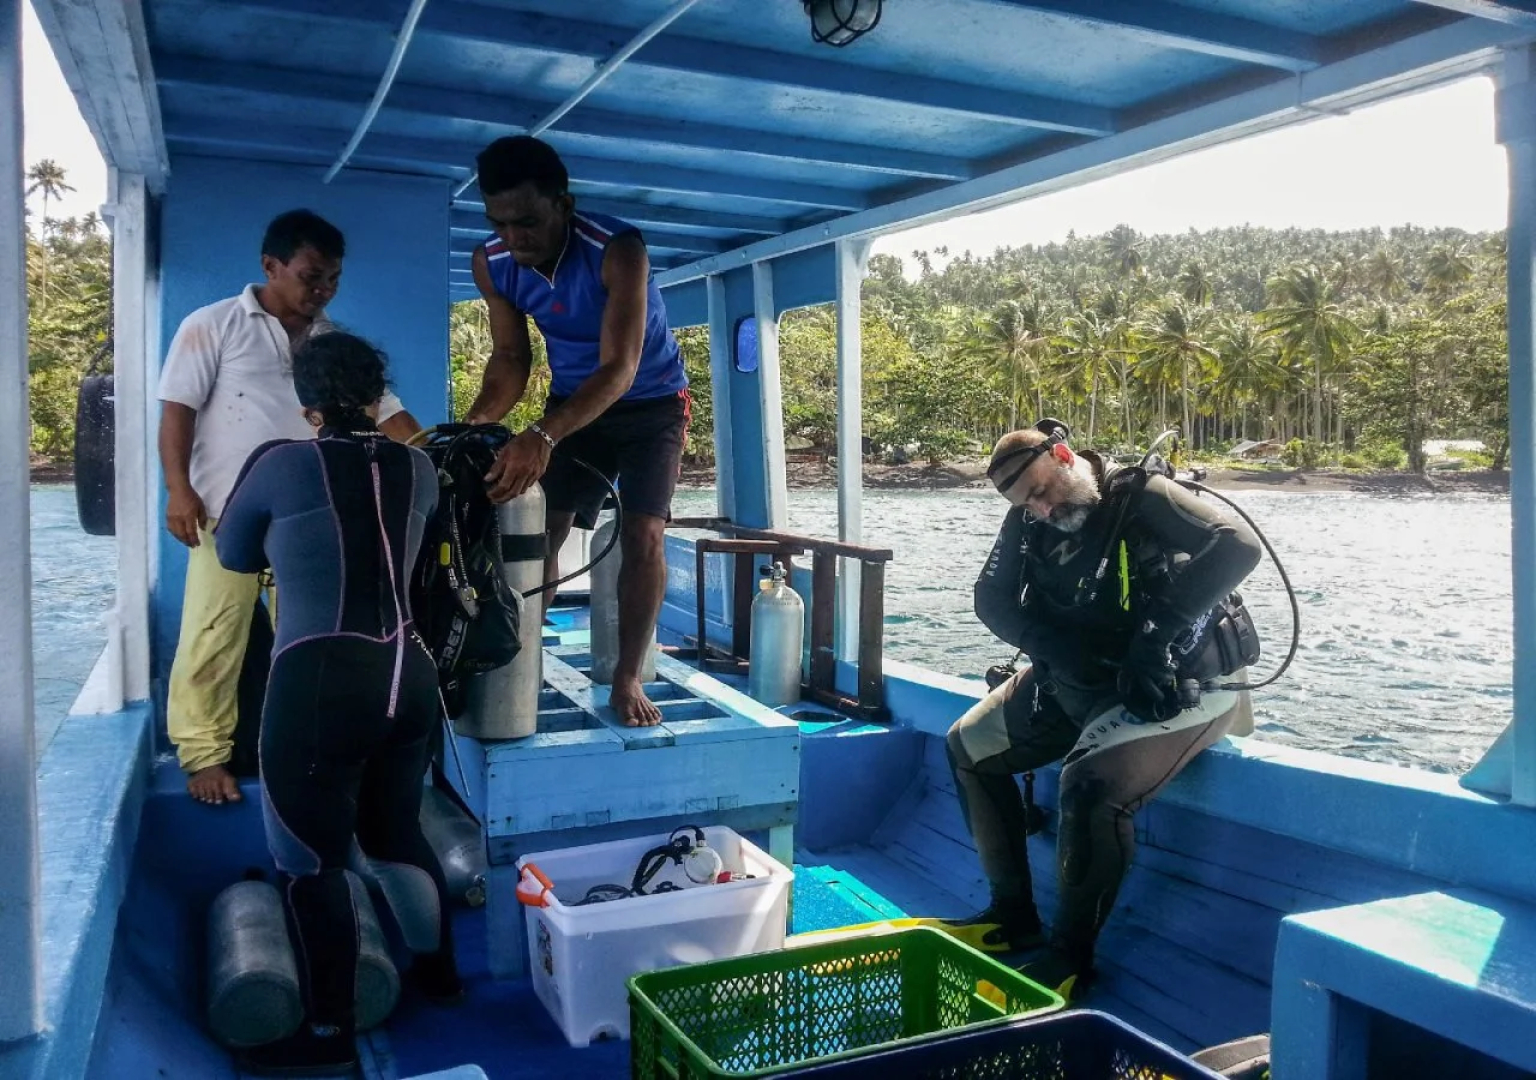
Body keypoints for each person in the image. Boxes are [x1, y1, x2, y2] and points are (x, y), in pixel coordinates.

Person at [944, 420, 1262, 1001]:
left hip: (1182, 680)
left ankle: (1069, 959)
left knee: (1088, 785)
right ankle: (1012, 916)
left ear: (1064, 455)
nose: (1037, 510)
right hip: (1080, 677)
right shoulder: (1027, 520)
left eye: (1039, 492)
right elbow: (989, 599)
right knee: (967, 748)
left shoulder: (1139, 496)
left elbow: (1238, 547)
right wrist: (1058, 648)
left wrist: (1152, 637)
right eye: (1024, 504)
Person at [215, 333, 461, 1075]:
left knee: (308, 861)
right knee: (394, 836)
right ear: (374, 394)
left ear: (307, 400)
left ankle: (326, 1029)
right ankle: (441, 978)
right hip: (407, 677)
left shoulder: (282, 463)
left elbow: (233, 552)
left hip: (320, 676)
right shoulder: (419, 468)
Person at [158, 209, 422, 806]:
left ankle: (304, 745)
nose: (322, 291)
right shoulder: (214, 325)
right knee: (212, 634)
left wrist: (437, 457)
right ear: (270, 266)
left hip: (309, 523)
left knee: (308, 640)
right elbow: (176, 412)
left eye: (332, 279)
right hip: (222, 514)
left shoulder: (333, 345)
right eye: (310, 276)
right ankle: (204, 756)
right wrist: (179, 490)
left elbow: (389, 414)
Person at [462, 135, 690, 728]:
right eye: (501, 224)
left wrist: (543, 435)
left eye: (529, 222)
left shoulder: (618, 250)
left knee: (643, 535)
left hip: (651, 403)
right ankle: (522, 651)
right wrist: (475, 424)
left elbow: (620, 367)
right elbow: (512, 359)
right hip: (572, 400)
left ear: (564, 204)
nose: (516, 239)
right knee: (544, 531)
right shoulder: (492, 263)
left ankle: (628, 676)